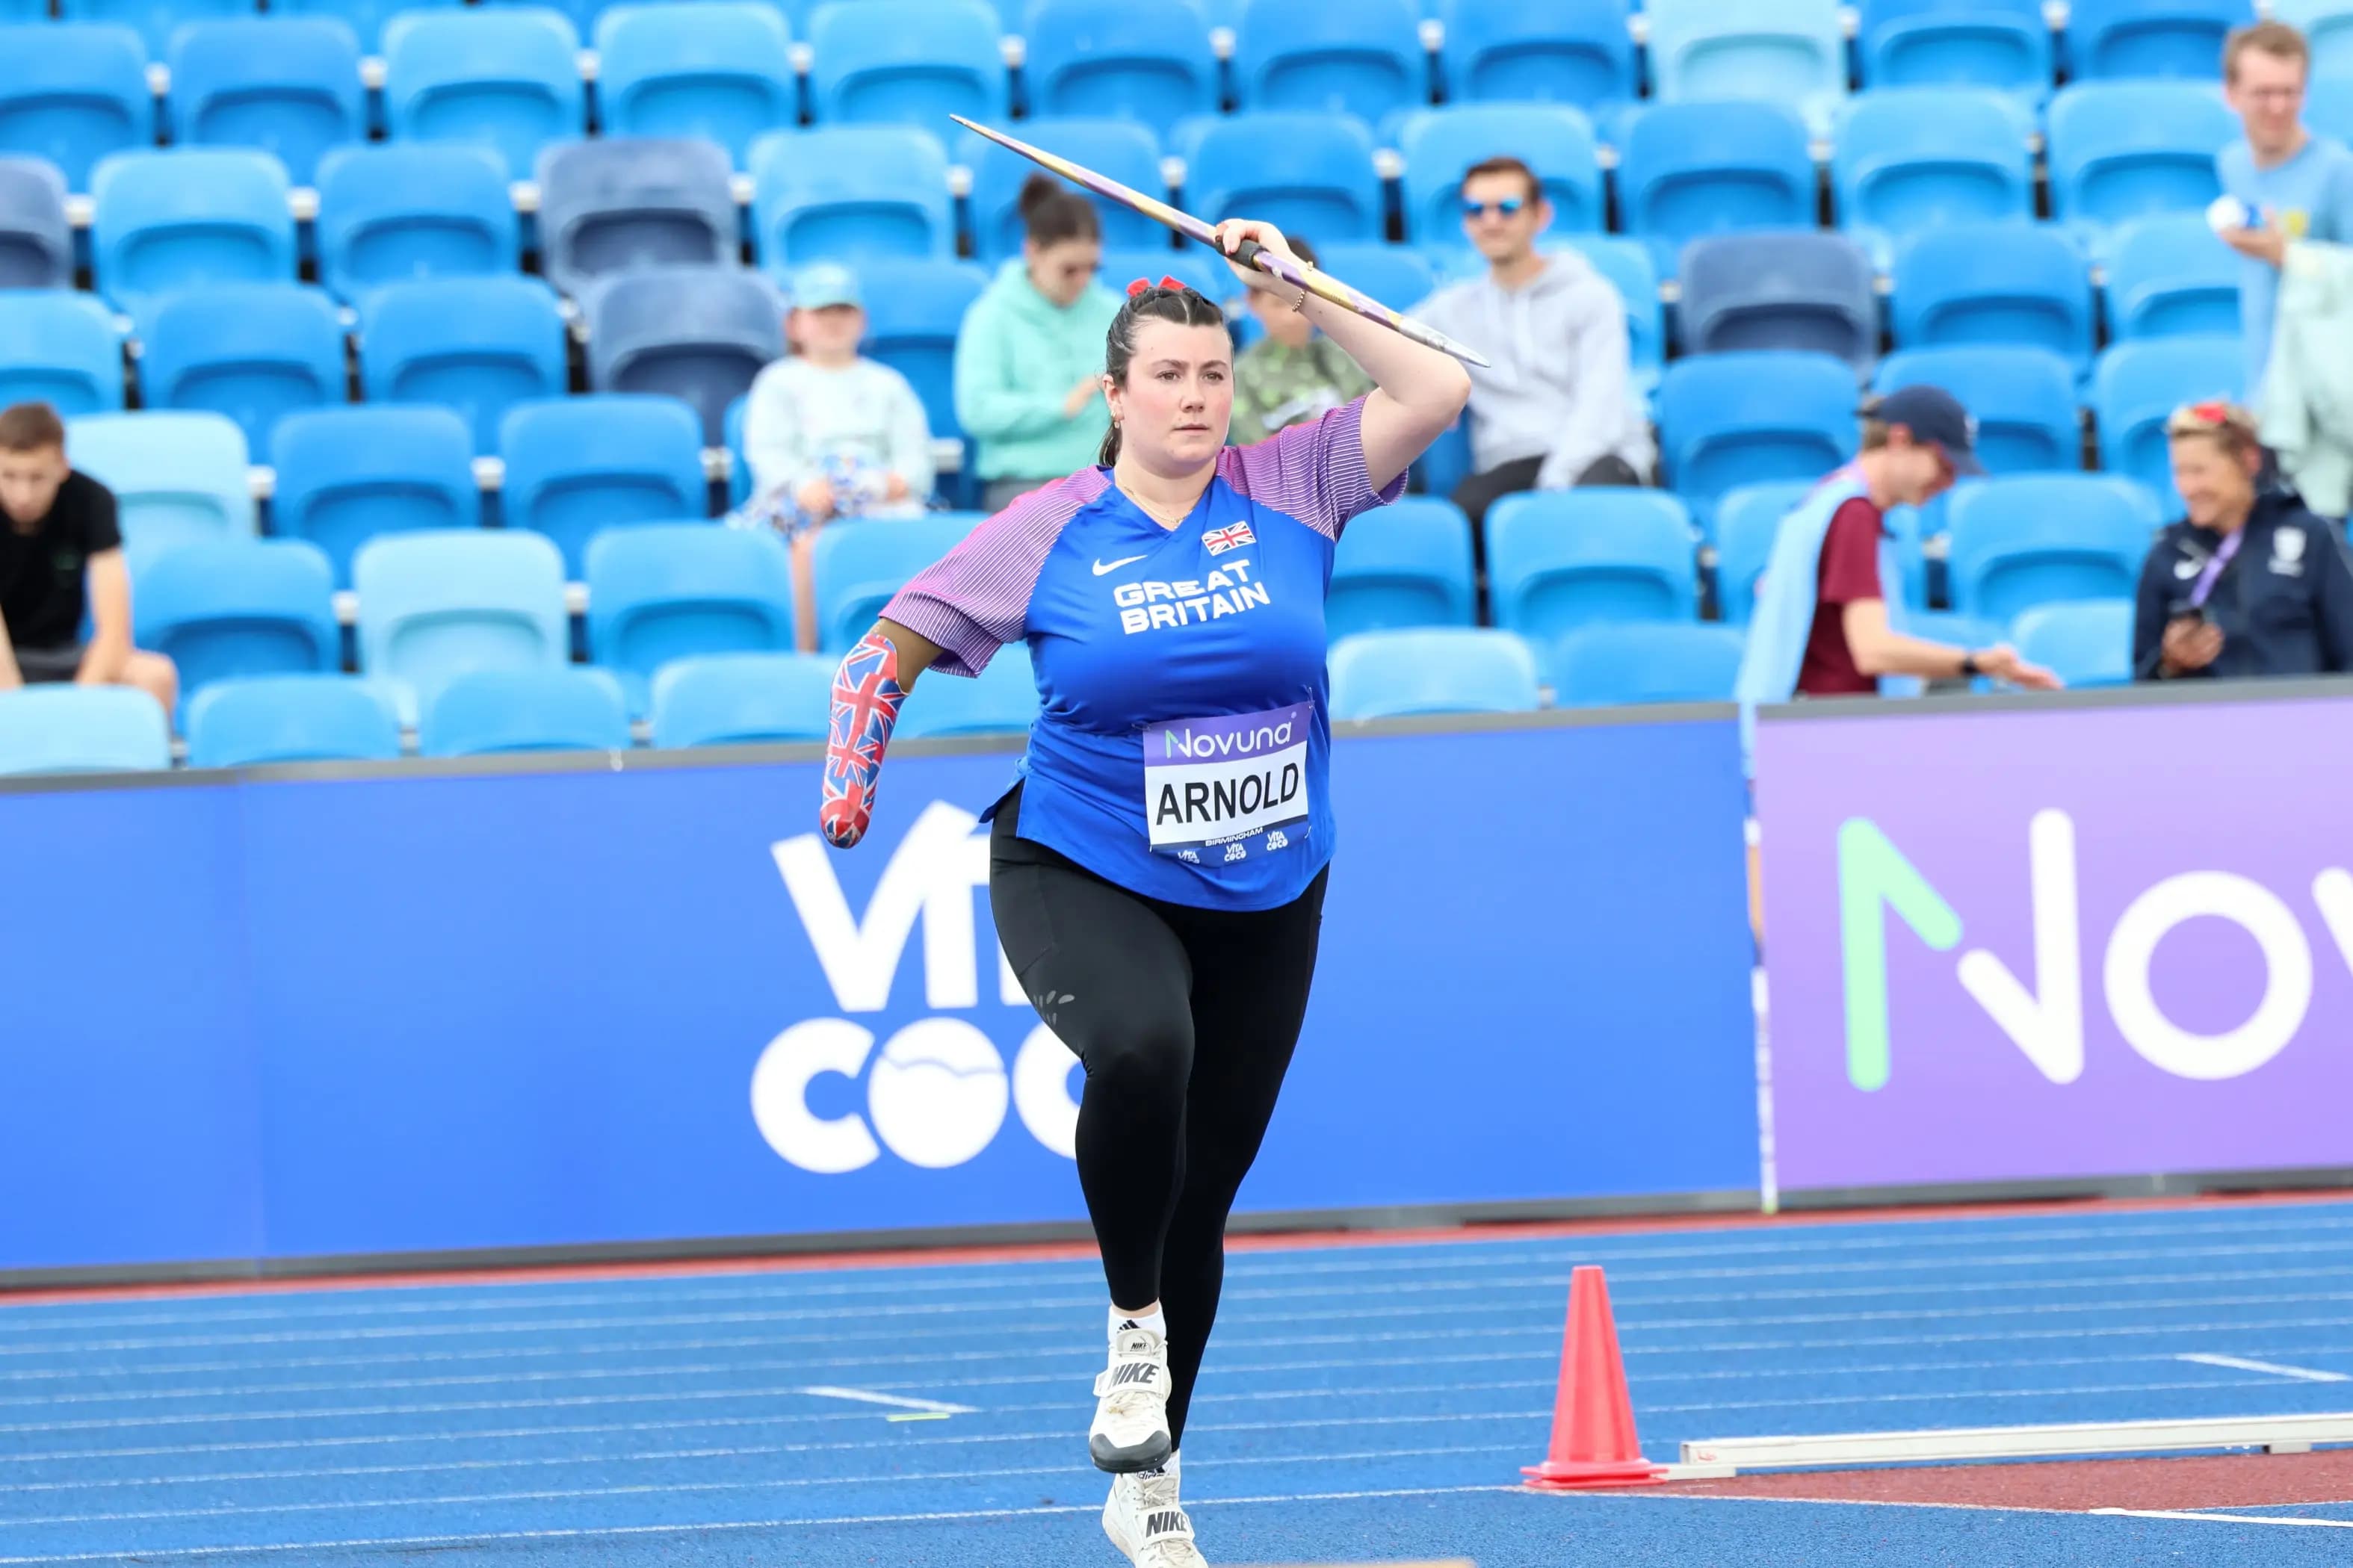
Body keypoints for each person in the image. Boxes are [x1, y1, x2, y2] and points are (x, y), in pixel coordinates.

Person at [817, 218, 1469, 1567]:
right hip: (1085, 859)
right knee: (1140, 1047)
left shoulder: (1292, 480)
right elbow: (884, 650)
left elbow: (1436, 385)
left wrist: (1298, 286)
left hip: (1270, 879)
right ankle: (1128, 1339)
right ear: (1113, 394)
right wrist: (853, 765)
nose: (1193, 396)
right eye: (1166, 375)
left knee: (1203, 1186)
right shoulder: (1049, 527)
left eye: (1212, 373)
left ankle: (1152, 1474)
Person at [1736, 386, 2059, 707]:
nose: (1949, 483)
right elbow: (1873, 650)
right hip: (1830, 723)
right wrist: (1977, 663)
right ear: (1900, 440)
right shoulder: (1853, 514)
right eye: (1943, 465)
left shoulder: (1825, 500)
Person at [1409, 155, 1652, 527]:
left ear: (1541, 215)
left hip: (1600, 454)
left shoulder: (1592, 296)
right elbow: (1385, 338)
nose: (1491, 221)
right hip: (1511, 463)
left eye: (1507, 208)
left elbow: (1600, 409)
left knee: (1582, 515)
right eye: (1476, 210)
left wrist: (1553, 488)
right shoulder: (1452, 308)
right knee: (1453, 525)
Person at [741, 263, 935, 648]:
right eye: (820, 311)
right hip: (805, 503)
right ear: (794, 323)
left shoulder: (888, 384)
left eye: (843, 311)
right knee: (808, 548)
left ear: (861, 320)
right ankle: (808, 652)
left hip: (879, 499)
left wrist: (888, 484)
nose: (833, 321)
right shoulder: (778, 382)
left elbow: (915, 460)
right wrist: (803, 486)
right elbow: (769, 454)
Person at [2134, 400, 2353, 681]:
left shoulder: (2311, 538)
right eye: (2180, 472)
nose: (2188, 488)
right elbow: (2140, 684)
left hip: (2300, 707)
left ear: (2249, 461)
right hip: (2209, 710)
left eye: (2200, 471)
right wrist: (2169, 665)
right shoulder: (2166, 555)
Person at [955, 175, 1124, 514]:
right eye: (1069, 270)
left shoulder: (1113, 309)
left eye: (1092, 268)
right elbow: (977, 409)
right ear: (1032, 252)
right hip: (1025, 483)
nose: (1083, 280)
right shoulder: (991, 315)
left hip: (1112, 478)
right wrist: (1061, 406)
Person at [0, 401, 175, 715]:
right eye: (9, 476)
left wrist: (78, 712)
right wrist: (18, 713)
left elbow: (114, 629)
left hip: (67, 655)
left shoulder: (92, 500)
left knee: (155, 676)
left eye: (36, 478)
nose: (22, 495)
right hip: (5, 661)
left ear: (62, 467)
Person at [2216, 20, 2353, 396]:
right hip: (2265, 381)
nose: (2278, 107)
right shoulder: (2232, 165)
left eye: (2289, 92)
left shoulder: (2339, 170)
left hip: (2332, 387)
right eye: (2263, 93)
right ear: (2231, 94)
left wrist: (2286, 255)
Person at [1228, 234, 1373, 444]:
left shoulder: (1345, 356)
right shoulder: (1242, 378)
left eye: (1300, 301)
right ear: (1252, 301)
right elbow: (1255, 453)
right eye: (1279, 304)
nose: (1292, 316)